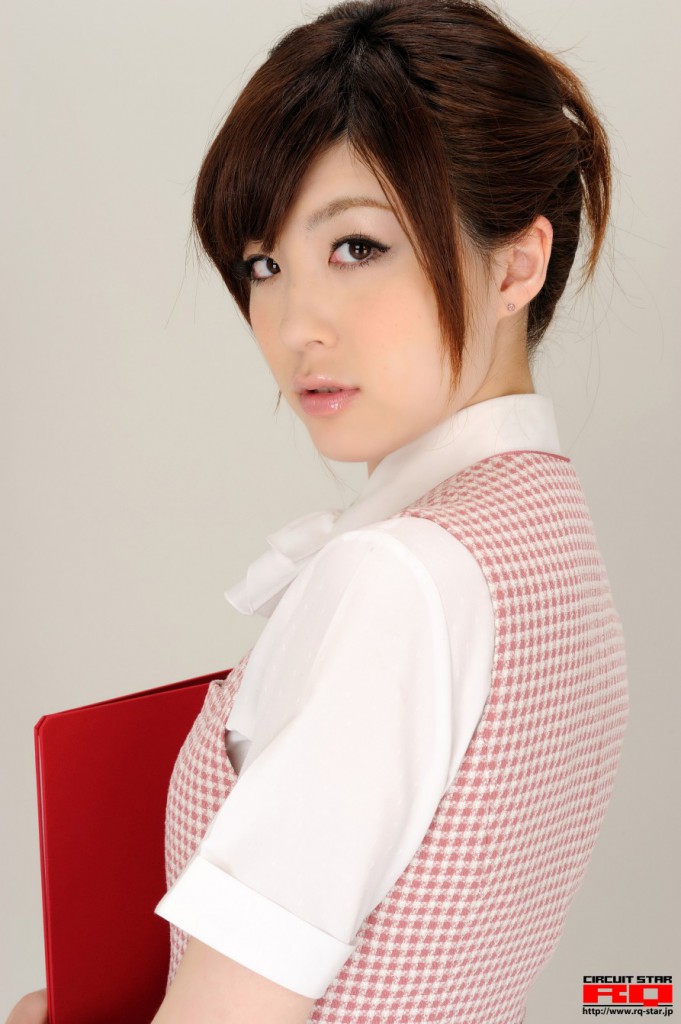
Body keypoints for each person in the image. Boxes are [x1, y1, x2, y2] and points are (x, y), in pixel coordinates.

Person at [7, 1, 630, 1022]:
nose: (296, 323)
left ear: (517, 262)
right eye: (264, 265)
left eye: (355, 247)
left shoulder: (395, 580)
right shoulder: (551, 538)